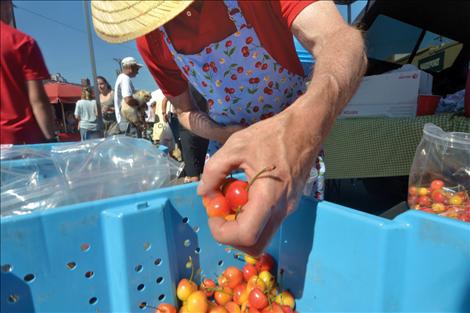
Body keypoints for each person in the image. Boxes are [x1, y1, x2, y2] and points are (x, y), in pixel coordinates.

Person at [92, 1, 367, 255]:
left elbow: (342, 42)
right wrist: (224, 134)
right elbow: (185, 111)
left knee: (294, 251)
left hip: (291, 155)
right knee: (236, 258)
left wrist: (300, 131)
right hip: (227, 157)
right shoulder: (152, 39)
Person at [0, 0, 56, 144]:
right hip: (21, 141)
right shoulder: (22, 42)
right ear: (7, 5)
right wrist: (50, 140)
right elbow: (38, 101)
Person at [113, 56, 143, 138]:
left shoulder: (120, 78)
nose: (137, 72)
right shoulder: (125, 79)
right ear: (130, 67)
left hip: (124, 121)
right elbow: (128, 99)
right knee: (134, 148)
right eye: (136, 69)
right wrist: (141, 103)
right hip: (128, 120)